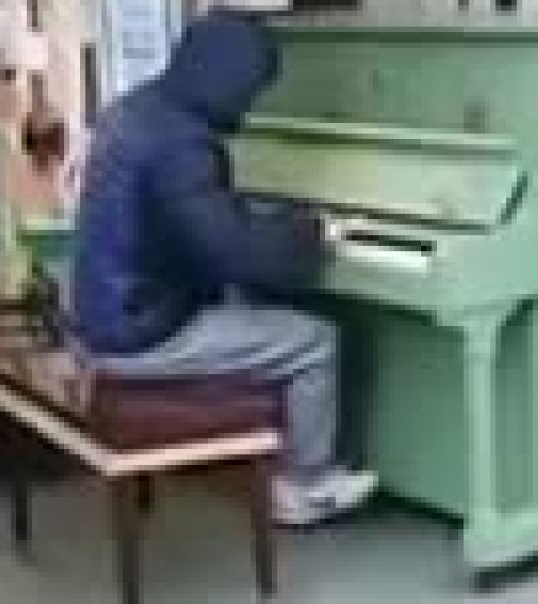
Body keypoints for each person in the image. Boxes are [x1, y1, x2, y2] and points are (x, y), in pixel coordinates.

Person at [71, 12, 376, 526]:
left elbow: (199, 226)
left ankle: (271, 462)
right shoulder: (181, 143)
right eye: (252, 90)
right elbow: (232, 250)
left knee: (253, 308)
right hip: (140, 334)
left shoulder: (137, 110)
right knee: (314, 340)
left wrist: (266, 225)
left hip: (102, 316)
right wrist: (312, 231)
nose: (251, 106)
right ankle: (306, 485)